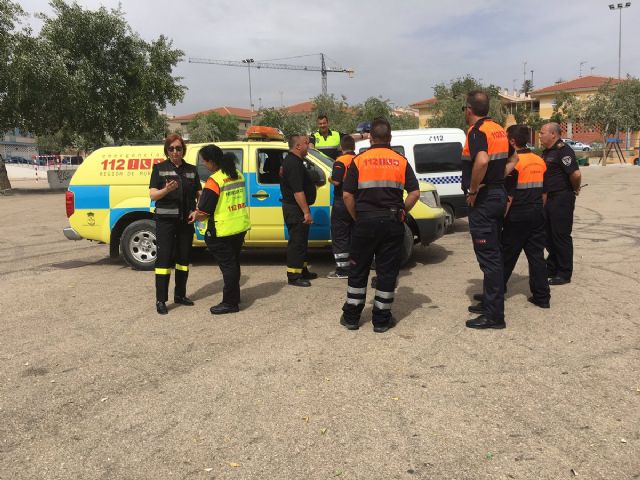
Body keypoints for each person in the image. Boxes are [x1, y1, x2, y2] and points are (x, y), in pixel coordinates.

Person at [340, 117, 420, 333]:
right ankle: (381, 320)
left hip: (364, 221)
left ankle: (351, 318)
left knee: (358, 269)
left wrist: (356, 217)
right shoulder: (400, 161)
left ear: (371, 139)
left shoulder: (359, 160)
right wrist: (402, 211)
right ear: (390, 138)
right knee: (387, 272)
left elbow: (347, 195)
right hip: (392, 222)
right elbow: (414, 192)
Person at [462, 91, 517, 329]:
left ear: (469, 109)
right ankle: (489, 302)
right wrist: (497, 178)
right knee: (493, 251)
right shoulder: (498, 130)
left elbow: (482, 160)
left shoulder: (477, 131)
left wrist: (474, 190)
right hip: (497, 194)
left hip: (484, 199)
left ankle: (494, 316)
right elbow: (514, 159)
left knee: (489, 257)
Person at [190, 147, 251, 314]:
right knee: (233, 263)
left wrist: (195, 215)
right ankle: (234, 297)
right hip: (238, 227)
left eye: (204, 161)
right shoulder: (237, 174)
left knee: (228, 266)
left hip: (221, 230)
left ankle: (230, 303)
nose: (204, 164)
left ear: (211, 161)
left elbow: (205, 210)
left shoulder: (214, 180)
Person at [149, 134, 201, 315]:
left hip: (185, 221)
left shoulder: (192, 170)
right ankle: (161, 300)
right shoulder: (159, 169)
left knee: (183, 260)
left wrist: (197, 210)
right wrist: (166, 189)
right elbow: (153, 195)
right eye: (171, 149)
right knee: (164, 260)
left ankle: (180, 295)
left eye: (178, 148)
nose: (175, 152)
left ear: (183, 150)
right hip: (165, 222)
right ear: (167, 150)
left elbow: (199, 194)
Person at [502, 125, 551, 308]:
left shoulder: (513, 163)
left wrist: (501, 219)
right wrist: (538, 210)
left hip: (517, 215)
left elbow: (509, 196)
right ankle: (542, 297)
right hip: (537, 213)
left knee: (506, 256)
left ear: (512, 141)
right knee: (536, 256)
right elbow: (545, 193)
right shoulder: (539, 161)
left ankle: (495, 293)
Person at [539, 122, 582, 285]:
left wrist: (575, 188)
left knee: (560, 236)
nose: (540, 136)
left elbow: (576, 174)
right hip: (548, 199)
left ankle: (564, 273)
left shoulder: (563, 150)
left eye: (542, 133)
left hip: (561, 198)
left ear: (553, 135)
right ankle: (552, 266)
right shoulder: (547, 152)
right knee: (547, 236)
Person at [280, 134, 318, 287]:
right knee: (296, 242)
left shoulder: (295, 161)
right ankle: (294, 276)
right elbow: (298, 191)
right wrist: (306, 212)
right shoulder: (293, 164)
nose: (309, 145)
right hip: (295, 209)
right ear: (297, 146)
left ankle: (302, 270)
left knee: (301, 241)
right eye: (306, 143)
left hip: (296, 208)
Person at [327, 135, 356, 279]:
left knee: (340, 235)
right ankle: (354, 265)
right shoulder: (358, 159)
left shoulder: (340, 161)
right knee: (353, 234)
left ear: (341, 147)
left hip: (342, 201)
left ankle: (343, 270)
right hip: (356, 200)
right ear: (354, 146)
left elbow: (337, 181)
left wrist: (330, 179)